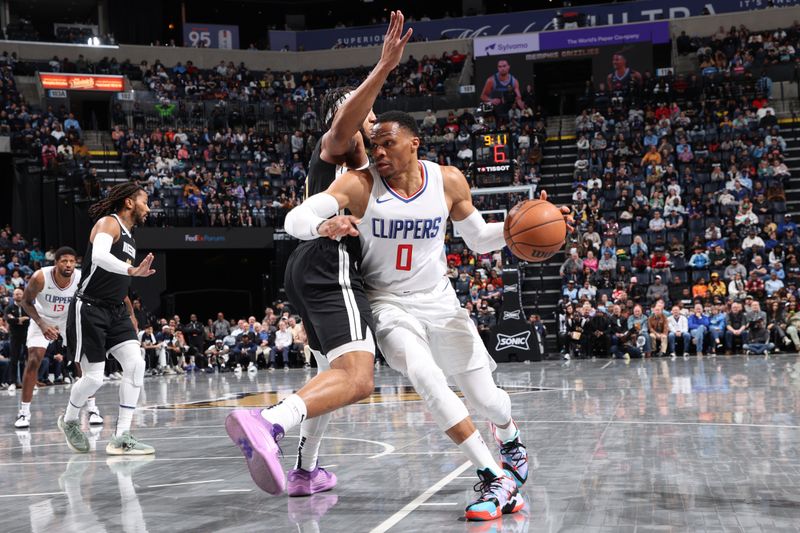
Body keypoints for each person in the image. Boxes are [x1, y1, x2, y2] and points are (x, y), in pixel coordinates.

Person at [283, 110, 572, 520]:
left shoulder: (448, 180)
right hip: (387, 304)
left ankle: (509, 435)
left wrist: (517, 229)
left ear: (414, 143)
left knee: (487, 400)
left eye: (389, 144)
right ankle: (493, 478)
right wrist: (321, 228)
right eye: (375, 144)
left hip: (440, 302)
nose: (379, 151)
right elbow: (295, 219)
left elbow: (477, 240)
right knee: (426, 376)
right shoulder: (360, 183)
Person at [225, 11, 413, 502]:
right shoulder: (337, 145)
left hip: (311, 269)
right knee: (358, 376)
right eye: (368, 118)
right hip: (330, 266)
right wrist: (383, 68)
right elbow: (347, 122)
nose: (372, 127)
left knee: (331, 376)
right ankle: (268, 423)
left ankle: (307, 471)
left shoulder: (360, 168)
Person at [59, 182, 156, 455]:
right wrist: (132, 270)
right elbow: (100, 257)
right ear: (129, 202)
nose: (148, 208)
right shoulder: (108, 223)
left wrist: (130, 311)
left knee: (136, 364)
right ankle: (69, 421)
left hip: (115, 311)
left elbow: (118, 280)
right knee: (94, 378)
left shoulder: (130, 236)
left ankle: (122, 436)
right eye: (144, 201)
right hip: (89, 308)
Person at [15, 247, 104, 429]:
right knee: (33, 360)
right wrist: (41, 324)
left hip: (67, 320)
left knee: (82, 361)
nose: (69, 264)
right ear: (56, 263)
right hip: (42, 319)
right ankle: (24, 413)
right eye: (64, 261)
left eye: (72, 261)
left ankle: (92, 409)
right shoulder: (41, 277)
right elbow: (25, 301)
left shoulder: (80, 278)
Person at [3, 288, 28, 391]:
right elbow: (9, 319)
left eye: (19, 293)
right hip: (14, 336)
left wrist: (16, 320)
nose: (18, 295)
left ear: (23, 295)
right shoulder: (9, 308)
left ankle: (28, 382)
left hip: (27, 335)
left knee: (28, 359)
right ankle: (13, 382)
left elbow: (30, 320)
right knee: (14, 359)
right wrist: (19, 320)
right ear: (13, 296)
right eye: (16, 294)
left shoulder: (28, 307)